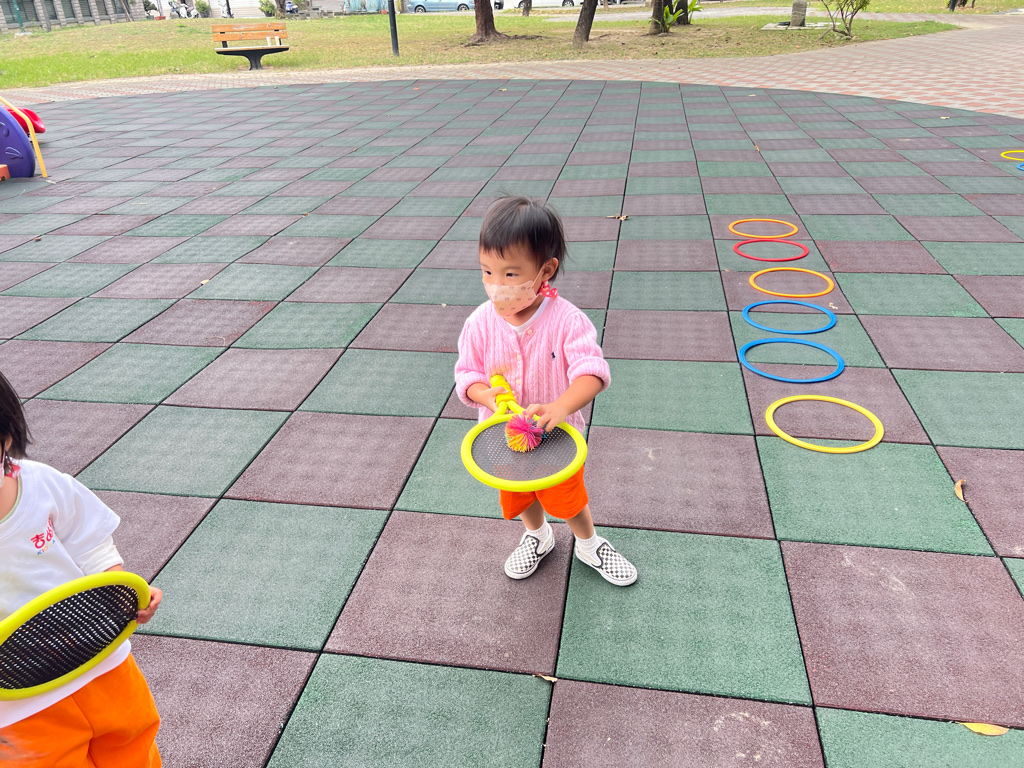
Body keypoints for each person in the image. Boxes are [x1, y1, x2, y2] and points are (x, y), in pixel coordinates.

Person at [455, 196, 637, 587]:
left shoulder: (567, 321)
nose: (496, 285)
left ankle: (588, 543)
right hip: (505, 436)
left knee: (568, 498)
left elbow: (592, 373)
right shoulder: (479, 323)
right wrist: (485, 395)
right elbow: (468, 374)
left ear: (546, 270)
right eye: (487, 271)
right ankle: (538, 535)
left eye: (510, 274)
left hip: (558, 436)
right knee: (520, 494)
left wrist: (560, 406)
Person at [0, 370, 163, 767]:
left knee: (133, 745)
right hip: (18, 702)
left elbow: (90, 542)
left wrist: (119, 593)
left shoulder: (42, 484)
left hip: (99, 659)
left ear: (5, 438)